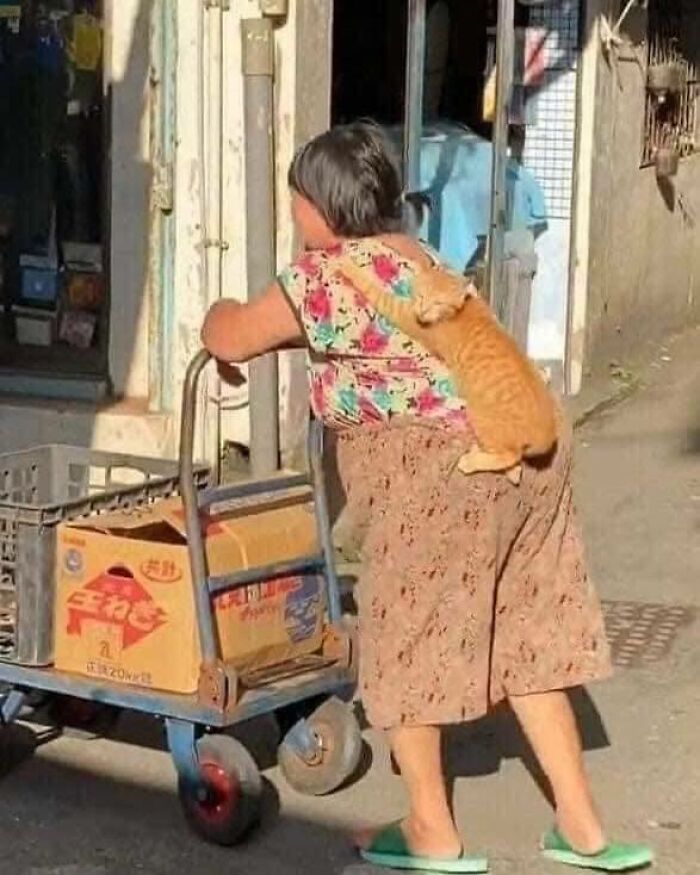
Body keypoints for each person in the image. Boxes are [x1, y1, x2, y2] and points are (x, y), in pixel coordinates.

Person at [201, 122, 653, 873]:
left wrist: (217, 314)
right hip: (526, 448)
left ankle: (430, 830)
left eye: (295, 202)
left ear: (316, 204)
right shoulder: (420, 256)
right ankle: (583, 828)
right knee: (526, 631)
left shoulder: (325, 276)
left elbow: (236, 336)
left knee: (404, 635)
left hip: (441, 467)